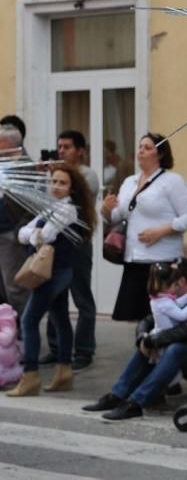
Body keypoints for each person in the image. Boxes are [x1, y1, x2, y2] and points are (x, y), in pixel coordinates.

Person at [82, 258, 187, 421]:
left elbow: (184, 332)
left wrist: (152, 340)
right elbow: (148, 320)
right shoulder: (171, 300)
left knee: (175, 348)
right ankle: (117, 395)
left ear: (181, 281)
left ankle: (136, 402)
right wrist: (143, 338)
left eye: (169, 279)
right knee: (150, 342)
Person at [6, 164, 94, 396]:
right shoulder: (51, 208)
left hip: (55, 272)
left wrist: (33, 235)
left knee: (29, 320)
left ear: (72, 188)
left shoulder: (67, 210)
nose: (55, 186)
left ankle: (31, 375)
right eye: (53, 181)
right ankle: (64, 371)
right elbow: (22, 233)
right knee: (60, 318)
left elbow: (44, 236)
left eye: (62, 183)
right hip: (56, 270)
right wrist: (33, 235)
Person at [101, 133, 187, 321]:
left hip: (162, 260)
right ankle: (144, 348)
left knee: (160, 318)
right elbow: (117, 216)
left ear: (160, 154)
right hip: (134, 258)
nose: (141, 151)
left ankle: (159, 350)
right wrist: (106, 209)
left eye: (148, 147)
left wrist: (161, 231)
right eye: (140, 147)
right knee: (136, 318)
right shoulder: (130, 182)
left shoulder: (172, 180)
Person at [41, 130, 99, 372]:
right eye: (60, 146)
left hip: (77, 243)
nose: (62, 151)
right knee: (56, 297)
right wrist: (47, 176)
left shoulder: (88, 175)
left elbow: (79, 199)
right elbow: (45, 205)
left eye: (67, 147)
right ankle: (57, 349)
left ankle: (84, 350)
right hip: (57, 244)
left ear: (80, 151)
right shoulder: (54, 176)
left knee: (82, 297)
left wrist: (62, 178)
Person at [0, 125, 34, 316]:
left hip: (10, 234)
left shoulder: (25, 167)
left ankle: (24, 334)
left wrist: (18, 232)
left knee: (15, 288)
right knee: (4, 289)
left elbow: (30, 206)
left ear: (12, 144)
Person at [148, 263, 187, 336]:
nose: (177, 287)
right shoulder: (164, 303)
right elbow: (182, 316)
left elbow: (175, 305)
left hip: (162, 332)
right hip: (166, 336)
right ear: (166, 287)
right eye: (175, 285)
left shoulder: (158, 299)